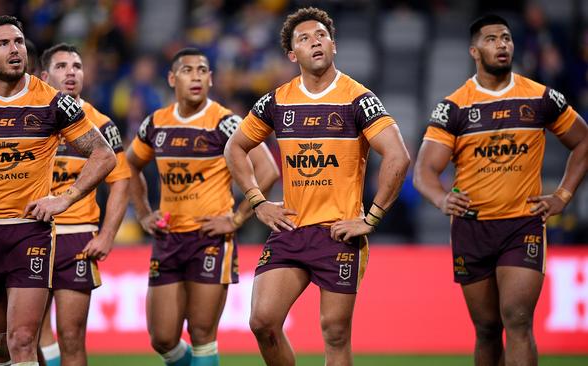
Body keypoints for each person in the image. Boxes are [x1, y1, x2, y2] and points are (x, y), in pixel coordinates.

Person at [224, 7, 410, 366]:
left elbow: (398, 157)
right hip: (291, 227)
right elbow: (235, 147)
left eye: (321, 35)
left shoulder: (358, 98)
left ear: (334, 45)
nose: (315, 42)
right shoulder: (278, 100)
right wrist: (257, 202)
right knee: (262, 322)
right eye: (305, 38)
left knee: (335, 333)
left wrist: (371, 219)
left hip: (339, 232)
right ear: (293, 55)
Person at [0, 15, 116, 365]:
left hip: (30, 233)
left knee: (22, 340)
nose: (15, 49)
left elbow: (103, 154)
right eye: (4, 43)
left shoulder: (53, 102)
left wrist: (65, 198)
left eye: (19, 42)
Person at [413, 14, 588, 366]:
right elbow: (424, 171)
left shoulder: (540, 98)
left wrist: (563, 196)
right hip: (471, 228)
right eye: (492, 39)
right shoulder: (454, 107)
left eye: (506, 38)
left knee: (519, 319)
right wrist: (442, 197)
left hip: (522, 225)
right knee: (488, 329)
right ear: (475, 51)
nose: (502, 45)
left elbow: (583, 142)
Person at [127, 47, 279, 366]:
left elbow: (267, 170)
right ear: (172, 78)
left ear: (210, 79)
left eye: (202, 70)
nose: (196, 76)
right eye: (187, 70)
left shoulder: (225, 123)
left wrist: (236, 218)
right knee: (163, 339)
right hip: (168, 238)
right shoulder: (156, 124)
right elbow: (129, 165)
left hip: (209, 240)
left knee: (201, 333)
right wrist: (141, 212)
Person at [36, 43, 131, 366]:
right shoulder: (29, 118)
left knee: (72, 336)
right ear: (45, 76)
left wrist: (106, 235)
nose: (71, 72)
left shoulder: (101, 124)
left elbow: (121, 181)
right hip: (29, 233)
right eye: (62, 66)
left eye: (76, 66)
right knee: (23, 332)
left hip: (76, 235)